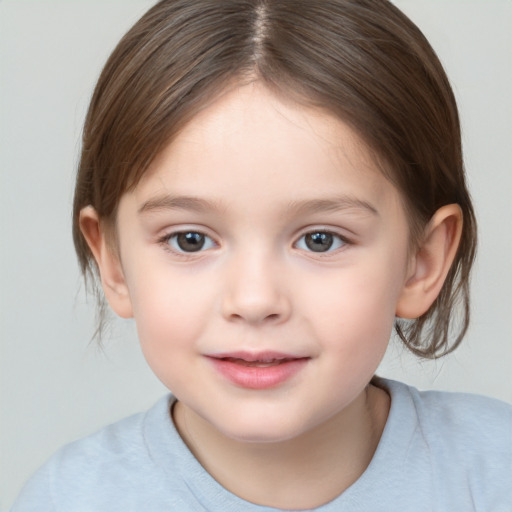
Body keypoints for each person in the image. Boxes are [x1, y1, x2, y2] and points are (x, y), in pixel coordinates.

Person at [10, 0, 511, 510]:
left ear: (421, 262)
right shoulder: (70, 499)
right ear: (113, 262)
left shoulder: (496, 475)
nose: (253, 300)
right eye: (190, 240)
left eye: (321, 239)